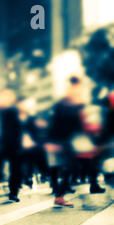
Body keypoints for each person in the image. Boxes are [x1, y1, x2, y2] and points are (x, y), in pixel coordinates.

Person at [45, 76, 87, 207]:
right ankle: (58, 195)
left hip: (72, 141)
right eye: (73, 87)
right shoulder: (60, 105)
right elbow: (53, 123)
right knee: (65, 167)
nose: (76, 90)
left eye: (78, 88)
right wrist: (50, 142)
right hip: (60, 141)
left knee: (72, 168)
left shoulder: (79, 105)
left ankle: (59, 195)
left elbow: (80, 125)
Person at [0, 88, 22, 202]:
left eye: (9, 96)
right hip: (1, 143)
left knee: (16, 169)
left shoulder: (16, 110)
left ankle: (14, 192)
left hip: (15, 143)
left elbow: (21, 126)